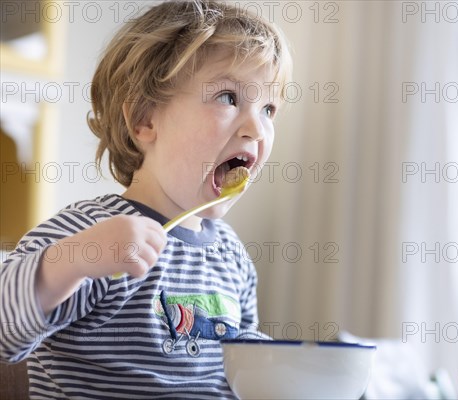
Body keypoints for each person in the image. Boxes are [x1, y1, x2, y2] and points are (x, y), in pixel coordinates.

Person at [0, 0, 292, 398]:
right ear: (144, 120)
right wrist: (78, 258)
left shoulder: (232, 256)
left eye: (269, 108)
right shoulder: (91, 232)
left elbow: (240, 372)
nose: (257, 128)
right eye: (228, 97)